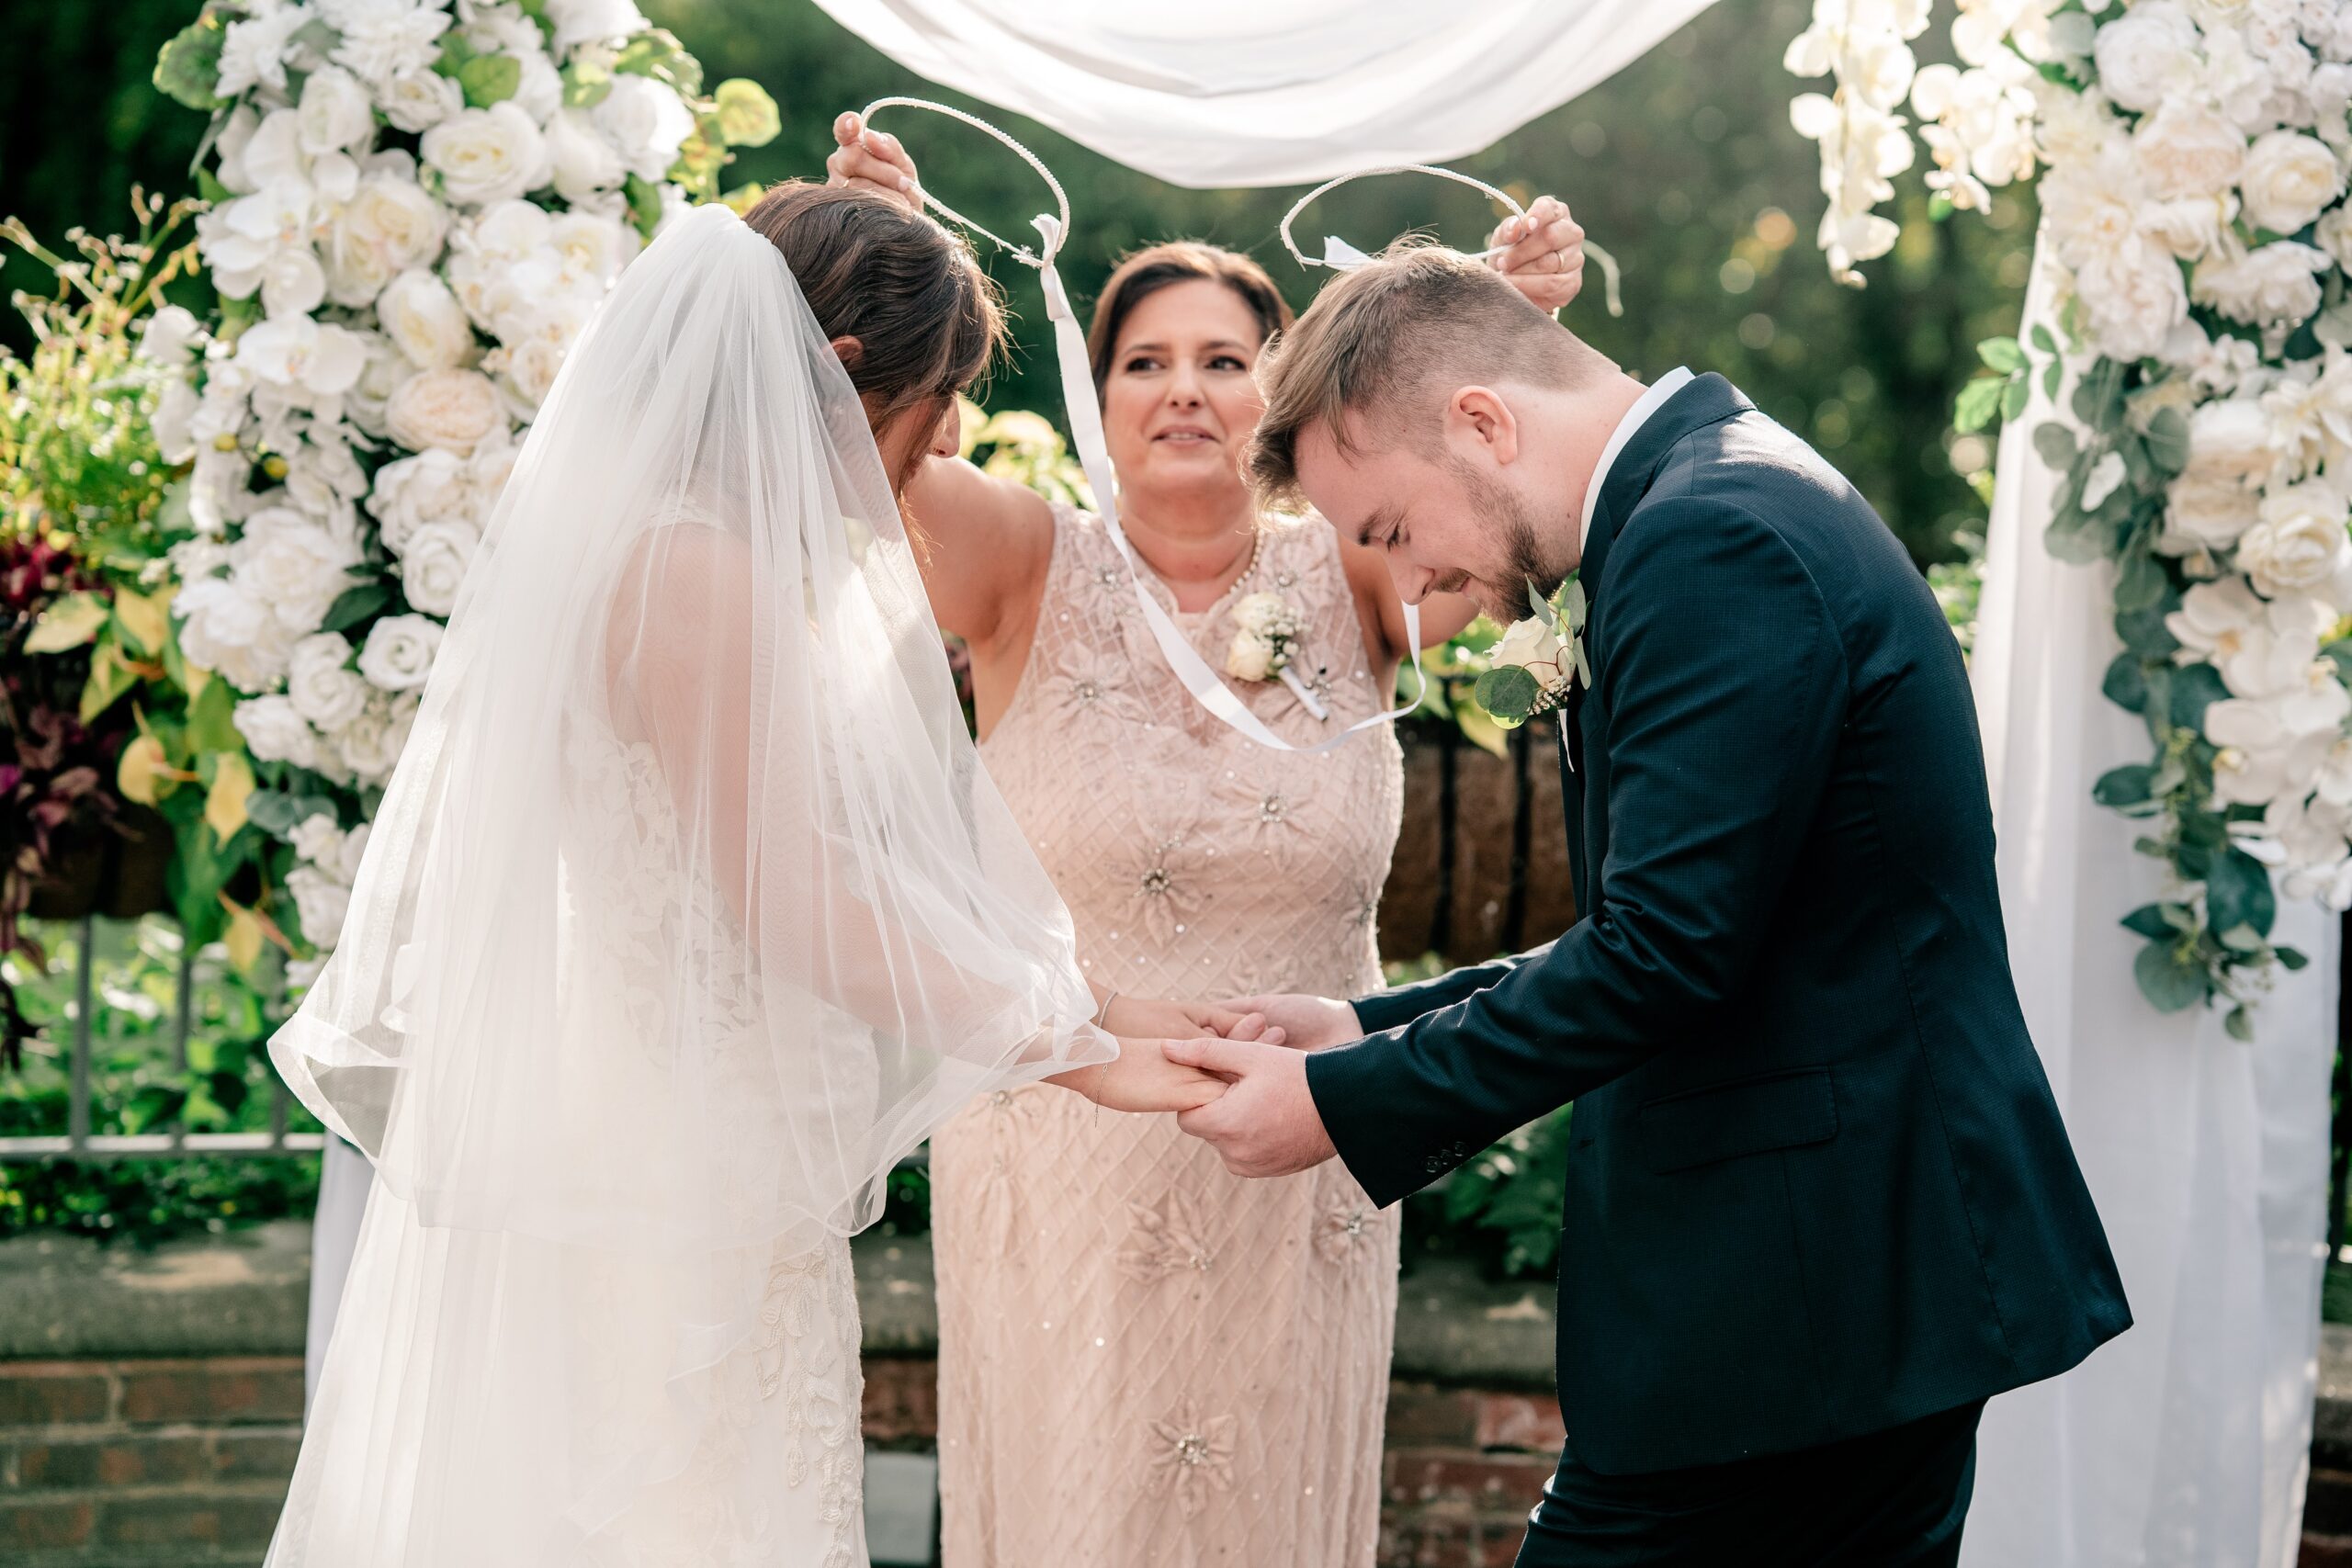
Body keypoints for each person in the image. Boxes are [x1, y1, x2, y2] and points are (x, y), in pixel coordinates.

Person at [263, 186, 1267, 1567]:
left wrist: (1117, 1006)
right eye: (937, 411)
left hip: (675, 1146)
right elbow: (802, 908)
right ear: (843, 380)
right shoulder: (700, 574)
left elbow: (829, 875)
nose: (946, 448)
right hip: (679, 1189)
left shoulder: (670, 546)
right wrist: (1081, 1052)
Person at [1164, 243, 2133, 1566]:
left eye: (1391, 525)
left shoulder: (1709, 535)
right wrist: (1365, 1027)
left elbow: (1665, 955)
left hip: (1807, 1306)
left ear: (1484, 423)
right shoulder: (1703, 503)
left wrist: (1345, 1105)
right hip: (1818, 1298)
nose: (1408, 574)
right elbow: (1687, 920)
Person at [821, 114, 1581, 1566]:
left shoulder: (1367, 563)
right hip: (1063, 1147)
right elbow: (865, 469)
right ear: (1097, 394)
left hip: (1302, 1160)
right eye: (1144, 361)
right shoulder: (1021, 553)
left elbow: (1514, 532)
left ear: (1289, 394)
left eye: (1226, 361)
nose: (1185, 390)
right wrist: (885, 269)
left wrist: (1511, 342)